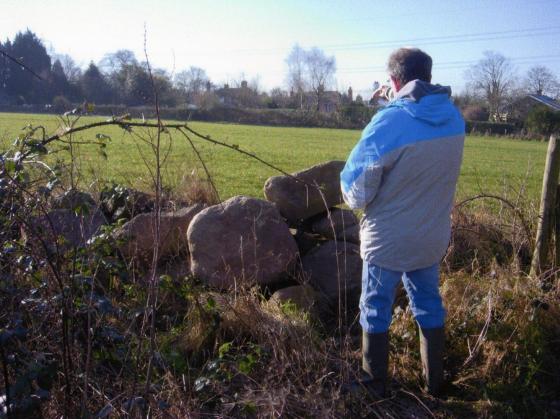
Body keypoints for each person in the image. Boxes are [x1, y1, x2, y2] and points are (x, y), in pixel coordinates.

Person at [340, 47, 465, 397]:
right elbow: (413, 139)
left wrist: (385, 112)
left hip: (388, 241)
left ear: (394, 80)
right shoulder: (453, 118)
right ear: (426, 75)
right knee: (428, 302)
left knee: (375, 308)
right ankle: (435, 382)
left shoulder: (390, 121)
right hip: (431, 236)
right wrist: (390, 107)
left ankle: (373, 383)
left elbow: (357, 189)